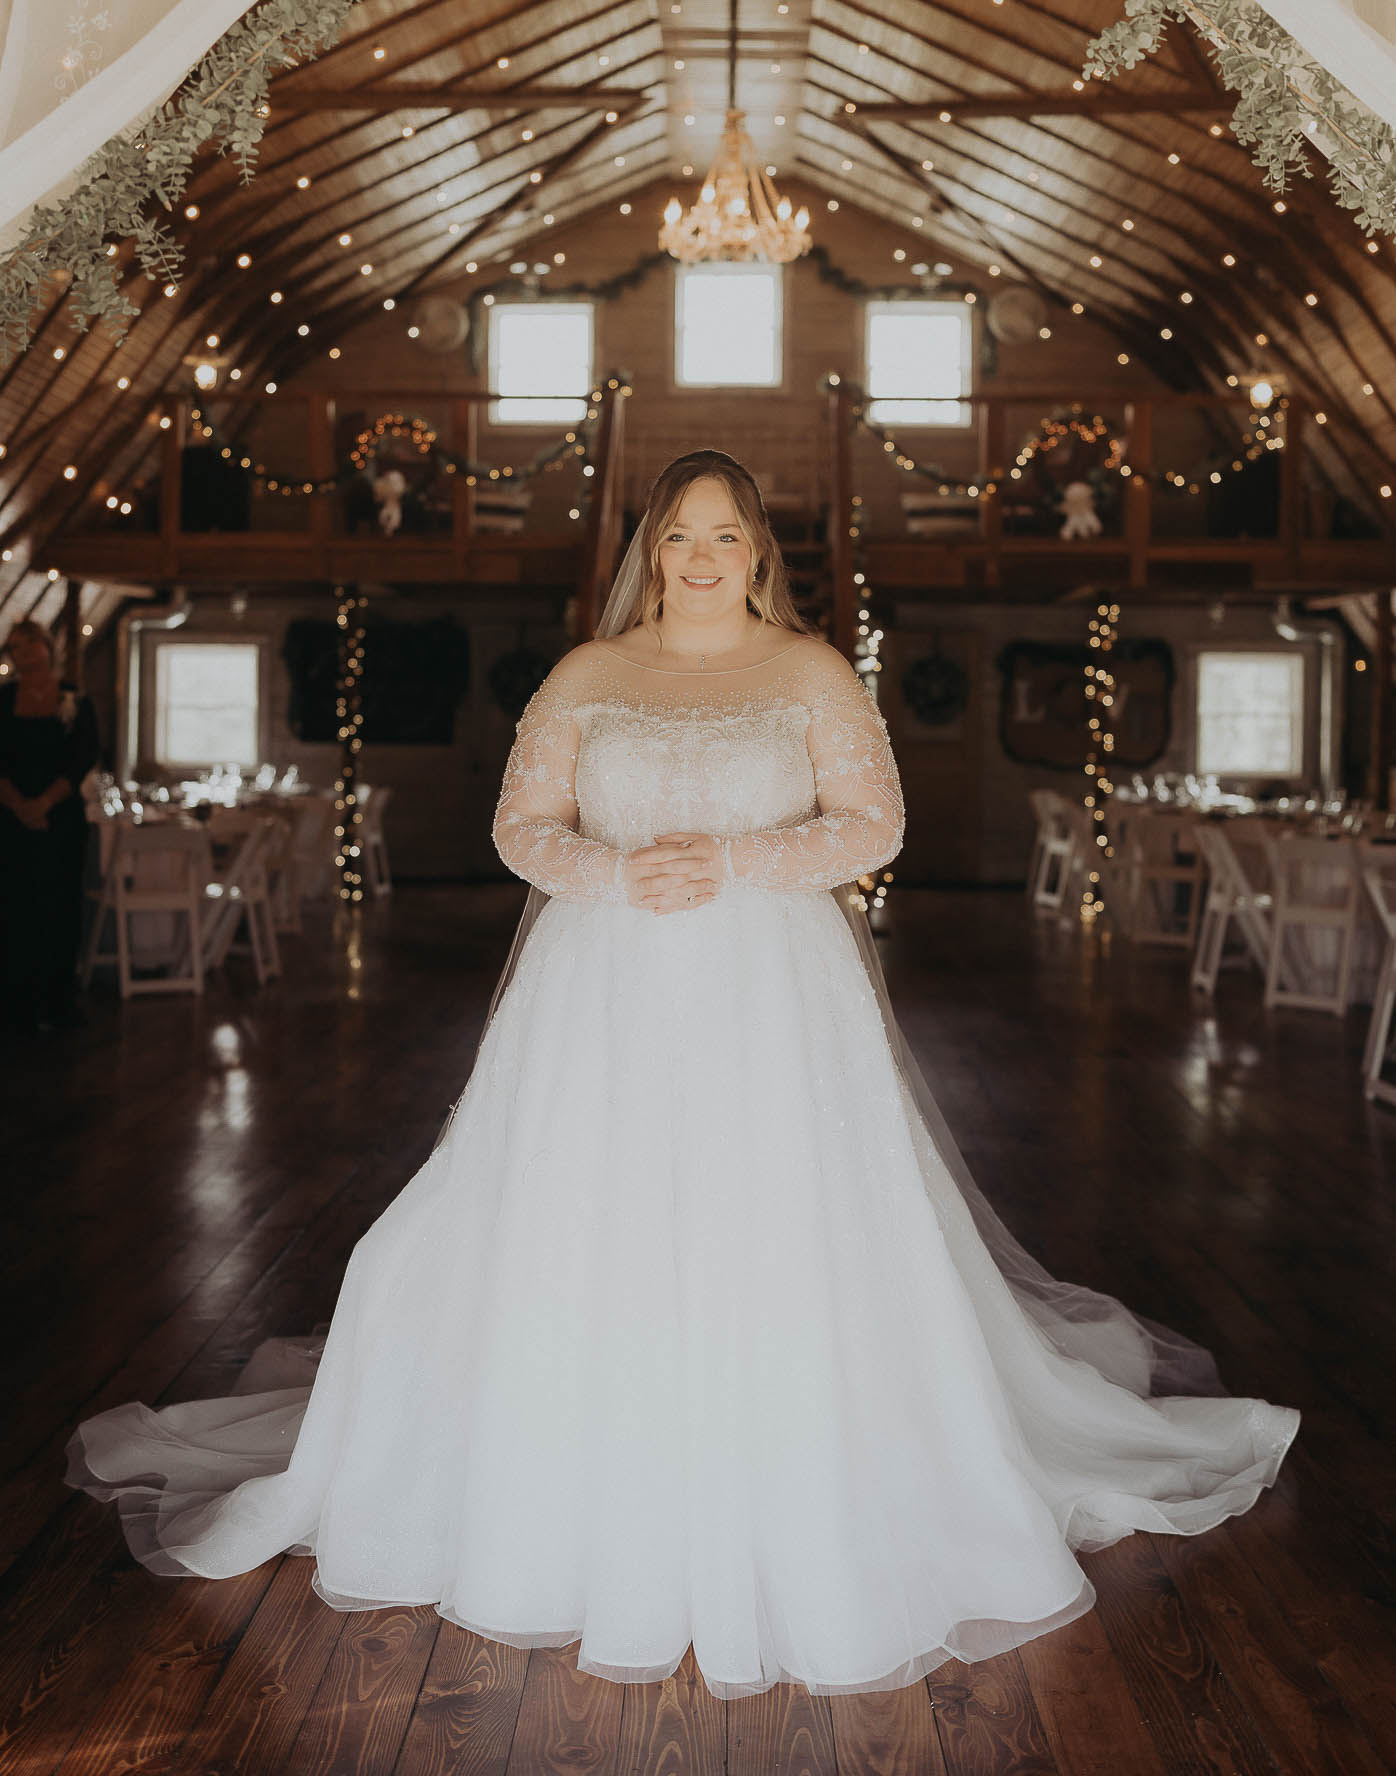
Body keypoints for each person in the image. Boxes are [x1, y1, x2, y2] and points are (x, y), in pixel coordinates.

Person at [63, 450, 1299, 1701]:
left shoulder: (810, 670)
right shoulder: (588, 674)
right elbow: (520, 826)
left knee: (776, 1220)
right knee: (577, 1212)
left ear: (759, 551)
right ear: (648, 550)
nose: (702, 557)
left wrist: (740, 857)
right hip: (601, 987)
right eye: (679, 537)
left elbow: (873, 825)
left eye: (725, 536)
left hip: (774, 989)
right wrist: (610, 872)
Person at [0, 618, 101, 1033]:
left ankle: (59, 996)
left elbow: (83, 757)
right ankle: (16, 1001)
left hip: (60, 819)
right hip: (9, 817)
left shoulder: (74, 700)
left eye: (30, 644)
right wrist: (19, 805)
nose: (24, 653)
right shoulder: (4, 699)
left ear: (47, 647)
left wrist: (43, 802)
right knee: (14, 906)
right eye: (15, 648)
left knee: (61, 905)